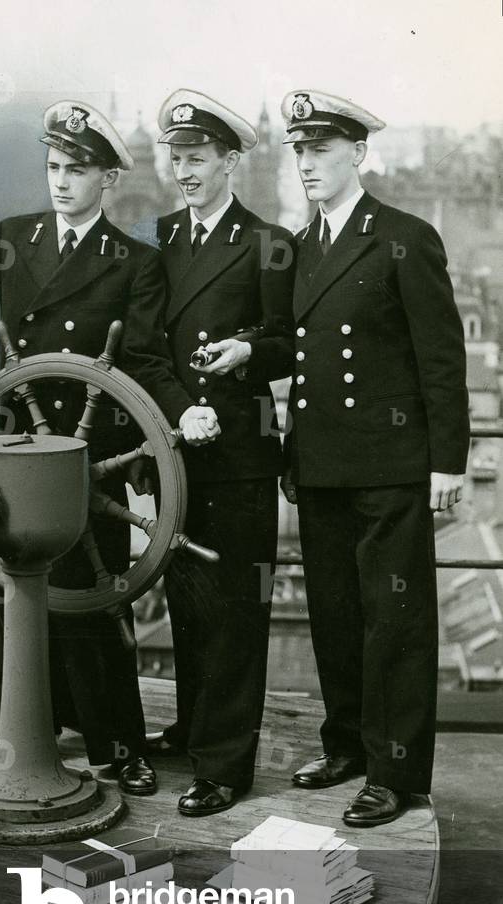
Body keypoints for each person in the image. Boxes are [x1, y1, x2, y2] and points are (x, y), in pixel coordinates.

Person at [0, 100, 200, 794]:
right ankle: (29, 732)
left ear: (108, 179)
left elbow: (139, 355)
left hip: (82, 455)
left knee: (91, 602)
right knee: (10, 586)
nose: (61, 182)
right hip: (10, 443)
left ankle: (117, 746)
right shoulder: (13, 238)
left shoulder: (136, 262)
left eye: (77, 170)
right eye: (53, 167)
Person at [279, 90, 470, 826]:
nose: (307, 164)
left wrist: (448, 463)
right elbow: (299, 344)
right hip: (321, 465)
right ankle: (348, 747)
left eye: (321, 150)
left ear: (358, 152)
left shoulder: (404, 236)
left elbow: (440, 358)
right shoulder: (302, 246)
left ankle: (396, 775)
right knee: (335, 614)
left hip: (391, 467)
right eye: (299, 151)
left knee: (393, 621)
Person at [137, 89, 296, 816]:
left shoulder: (269, 243)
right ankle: (197, 729)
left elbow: (291, 340)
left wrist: (246, 355)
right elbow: (142, 346)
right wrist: (180, 408)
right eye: (177, 159)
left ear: (231, 161)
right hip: (177, 449)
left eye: (198, 159)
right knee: (188, 602)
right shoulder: (162, 237)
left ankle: (226, 765)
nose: (185, 172)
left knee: (235, 608)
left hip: (239, 456)